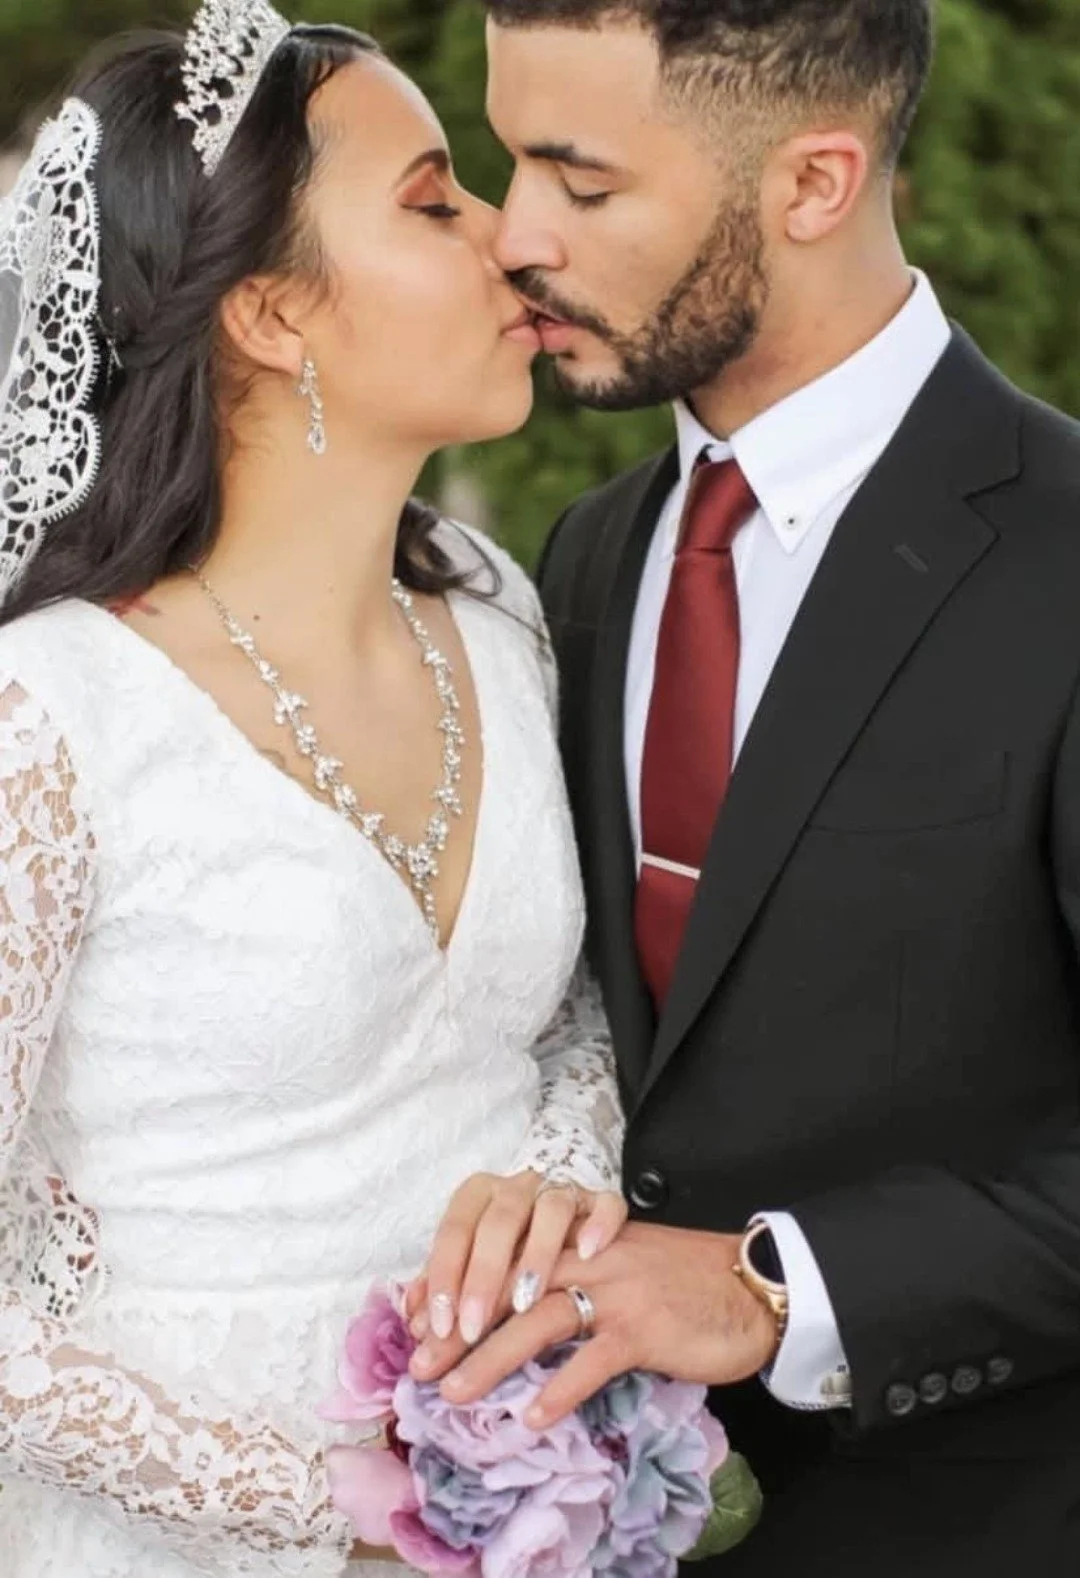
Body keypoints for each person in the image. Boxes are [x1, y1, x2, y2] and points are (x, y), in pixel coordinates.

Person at [410, 2, 1080, 1573]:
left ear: (815, 182)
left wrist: (784, 1287)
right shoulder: (588, 555)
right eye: (511, 165)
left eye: (582, 181)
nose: (516, 235)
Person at [0, 5, 627, 1575]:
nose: (511, 237)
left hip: (530, 1513)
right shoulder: (50, 716)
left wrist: (562, 1179)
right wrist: (345, 1510)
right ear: (274, 312)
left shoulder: (496, 612)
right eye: (434, 201)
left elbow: (561, 1014)